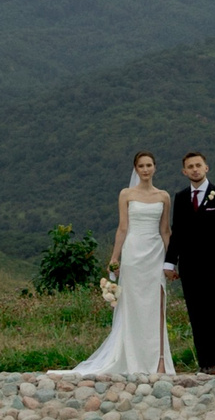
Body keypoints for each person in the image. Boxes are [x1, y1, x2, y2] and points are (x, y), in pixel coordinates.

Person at [53, 152, 175, 377]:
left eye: (149, 165)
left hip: (155, 253)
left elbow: (166, 230)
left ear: (155, 168)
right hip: (133, 252)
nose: (145, 169)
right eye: (141, 166)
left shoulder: (164, 196)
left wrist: (172, 262)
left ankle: (159, 361)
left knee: (157, 305)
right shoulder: (126, 194)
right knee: (131, 303)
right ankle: (130, 357)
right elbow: (122, 227)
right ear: (136, 169)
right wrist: (114, 257)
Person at [163, 152, 215, 375]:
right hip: (189, 266)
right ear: (184, 171)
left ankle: (212, 362)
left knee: (210, 312)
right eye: (190, 167)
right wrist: (169, 261)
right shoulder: (181, 197)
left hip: (214, 268)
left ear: (206, 168)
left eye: (198, 165)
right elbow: (178, 232)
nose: (195, 169)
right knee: (195, 313)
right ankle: (202, 363)